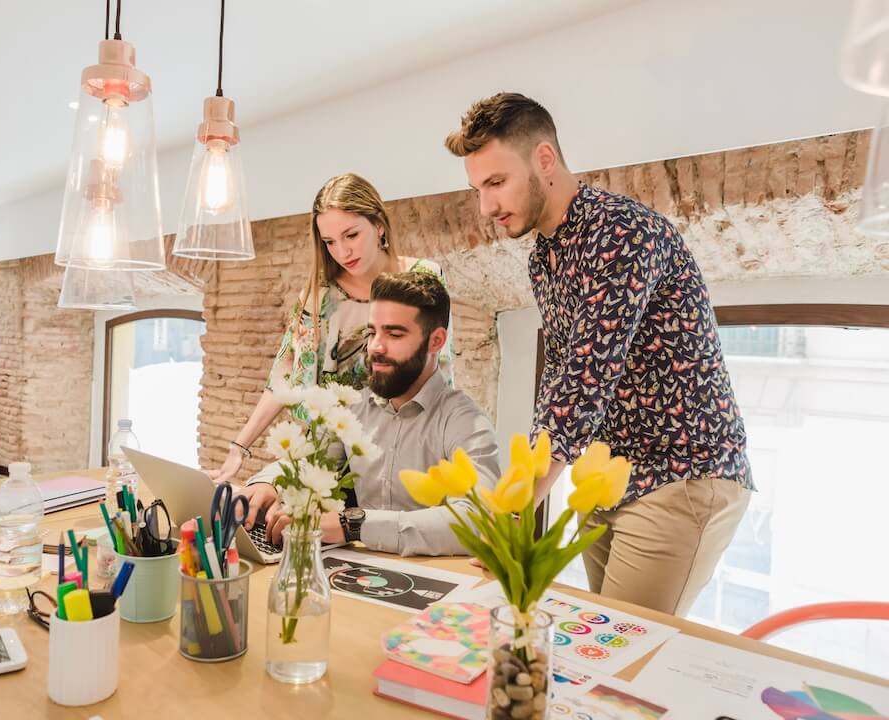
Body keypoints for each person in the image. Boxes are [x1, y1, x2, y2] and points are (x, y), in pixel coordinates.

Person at [445, 92, 753, 616]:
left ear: (544, 159)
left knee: (626, 652)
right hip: (607, 475)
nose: (486, 207)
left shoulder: (621, 232)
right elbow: (560, 381)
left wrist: (514, 509)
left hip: (681, 473)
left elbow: (587, 375)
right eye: (478, 189)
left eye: (496, 183)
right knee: (598, 648)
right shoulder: (544, 257)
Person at [209, 173, 455, 483]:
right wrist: (238, 448)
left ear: (379, 224)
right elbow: (283, 379)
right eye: (330, 242)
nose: (342, 252)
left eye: (351, 235)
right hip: (329, 458)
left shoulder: (425, 278)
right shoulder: (319, 298)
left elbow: (442, 372)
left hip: (406, 451)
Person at [239, 272, 498, 556]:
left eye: (394, 334)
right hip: (357, 574)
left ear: (436, 341)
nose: (375, 346)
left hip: (435, 585)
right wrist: (269, 484)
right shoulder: (353, 406)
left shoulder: (465, 422)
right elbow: (309, 463)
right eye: (372, 332)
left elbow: (479, 519)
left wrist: (354, 525)